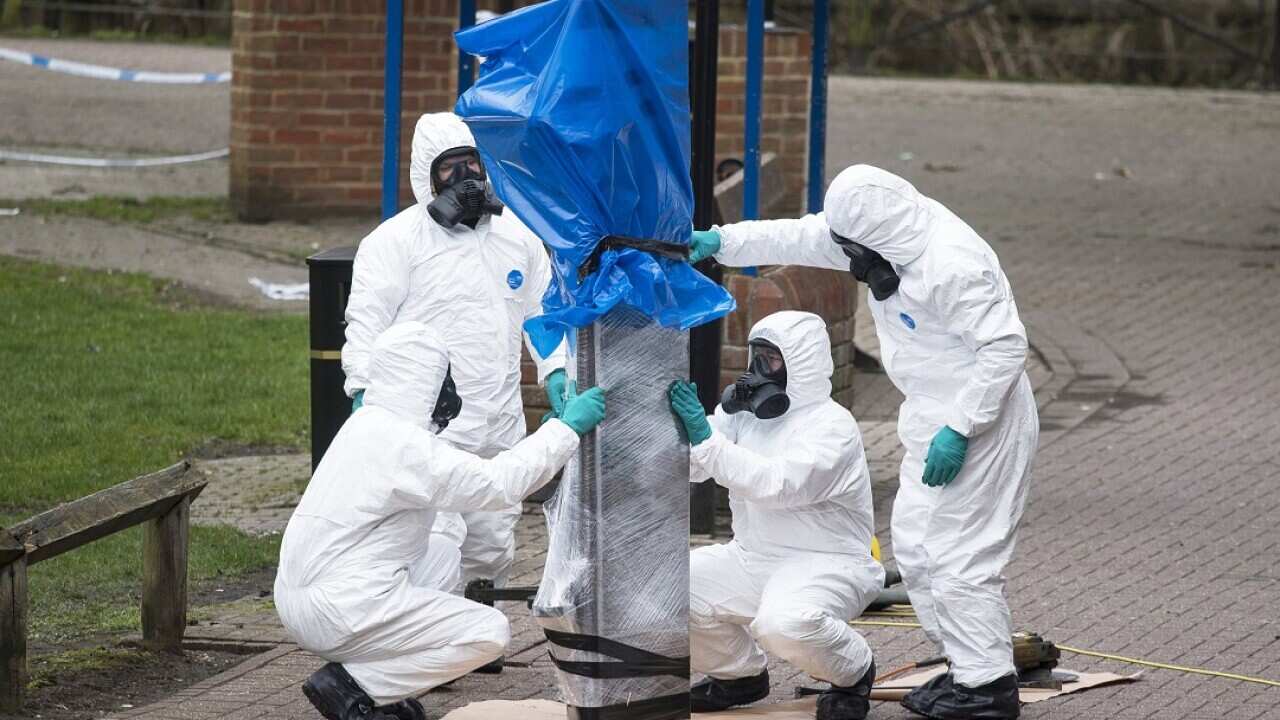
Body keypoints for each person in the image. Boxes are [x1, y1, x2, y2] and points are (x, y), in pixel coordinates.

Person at [690, 165, 1038, 719]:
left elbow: (1004, 348)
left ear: (880, 239)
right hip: (932, 414)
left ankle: (987, 688)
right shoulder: (879, 230)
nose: (849, 260)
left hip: (982, 417)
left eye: (854, 250)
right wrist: (721, 242)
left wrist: (962, 426)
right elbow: (802, 237)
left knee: (957, 554)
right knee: (917, 547)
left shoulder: (953, 264)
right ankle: (965, 668)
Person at [276, 321, 605, 720]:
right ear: (422, 381)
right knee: (489, 632)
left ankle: (384, 685)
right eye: (442, 379)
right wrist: (565, 430)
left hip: (308, 593)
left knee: (444, 551)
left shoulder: (365, 426)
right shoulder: (403, 446)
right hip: (336, 609)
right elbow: (497, 484)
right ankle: (354, 687)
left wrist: (551, 435)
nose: (447, 392)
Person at [341, 112, 570, 600]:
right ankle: (430, 626)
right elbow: (365, 324)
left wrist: (556, 371)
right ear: (426, 176)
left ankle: (480, 621)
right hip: (432, 428)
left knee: (492, 544)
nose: (465, 178)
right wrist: (361, 389)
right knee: (437, 542)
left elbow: (542, 315)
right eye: (449, 168)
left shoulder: (518, 238)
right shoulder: (393, 243)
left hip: (499, 423)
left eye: (472, 164)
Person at [669, 311, 884, 720]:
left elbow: (777, 485)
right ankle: (738, 674)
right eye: (756, 356)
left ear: (801, 364)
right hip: (753, 556)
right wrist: (678, 431)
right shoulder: (744, 413)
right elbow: (698, 467)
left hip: (828, 563)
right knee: (667, 587)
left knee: (783, 623)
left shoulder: (833, 427)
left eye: (770, 359)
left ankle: (853, 672)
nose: (757, 369)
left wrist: (707, 440)